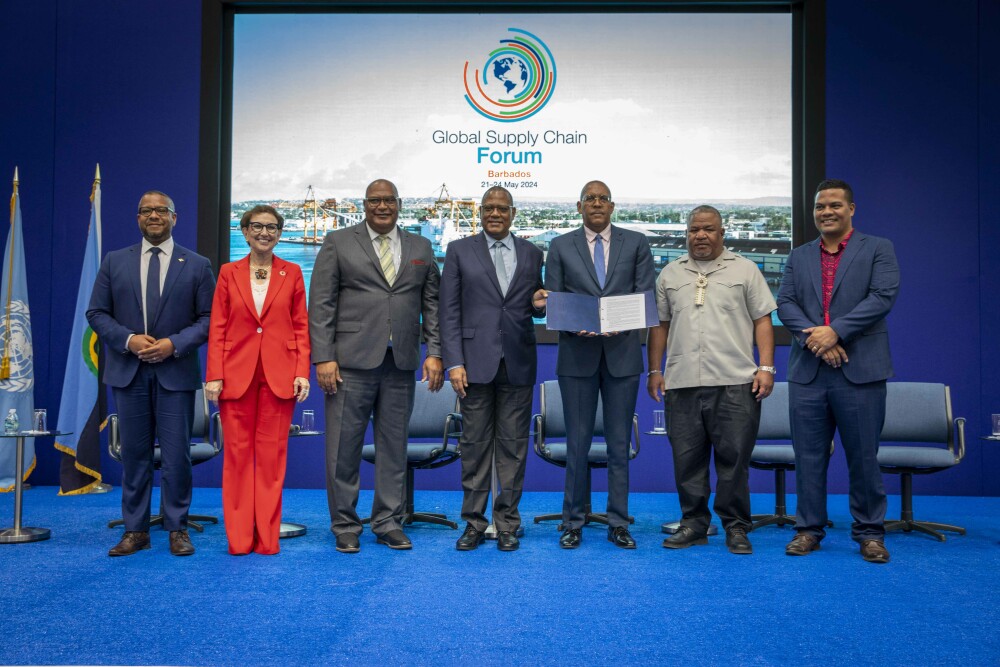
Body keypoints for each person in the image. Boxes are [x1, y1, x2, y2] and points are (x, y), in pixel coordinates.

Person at [309, 179, 443, 553]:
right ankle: (345, 525)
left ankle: (388, 522)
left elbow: (431, 304)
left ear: (399, 204)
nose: (382, 206)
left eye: (388, 200)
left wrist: (435, 351)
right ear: (364, 205)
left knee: (394, 448)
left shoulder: (420, 246)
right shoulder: (338, 242)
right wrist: (324, 356)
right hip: (349, 362)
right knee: (343, 449)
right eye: (374, 201)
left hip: (400, 362)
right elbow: (321, 304)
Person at [777, 179, 900, 564]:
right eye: (820, 206)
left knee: (863, 458)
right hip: (809, 372)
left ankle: (870, 533)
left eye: (834, 205)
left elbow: (882, 297)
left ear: (851, 209)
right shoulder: (799, 255)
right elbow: (786, 303)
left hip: (860, 370)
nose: (826, 212)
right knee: (808, 457)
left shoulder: (877, 248)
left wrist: (836, 331)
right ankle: (808, 530)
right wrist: (818, 339)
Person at [87, 190, 215, 557]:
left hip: (176, 373)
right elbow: (97, 313)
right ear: (138, 218)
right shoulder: (115, 261)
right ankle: (135, 530)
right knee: (135, 456)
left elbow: (209, 318)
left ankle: (177, 528)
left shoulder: (197, 264)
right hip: (129, 373)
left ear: (175, 217)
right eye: (146, 211)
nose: (154, 215)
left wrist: (174, 344)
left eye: (161, 210)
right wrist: (128, 340)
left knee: (177, 457)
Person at [647, 205, 776, 554]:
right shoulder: (670, 273)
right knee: (687, 461)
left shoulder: (745, 270)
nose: (700, 235)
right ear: (686, 233)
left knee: (734, 462)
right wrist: (655, 370)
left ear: (721, 233)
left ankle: (736, 527)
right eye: (694, 230)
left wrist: (766, 367)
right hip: (682, 381)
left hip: (735, 381)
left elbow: (763, 320)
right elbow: (660, 326)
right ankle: (693, 525)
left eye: (708, 229)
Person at [543, 180, 655, 549]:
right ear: (579, 206)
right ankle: (572, 522)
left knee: (619, 444)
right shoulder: (560, 245)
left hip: (622, 356)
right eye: (589, 198)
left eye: (602, 198)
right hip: (577, 355)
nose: (596, 203)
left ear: (612, 206)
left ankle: (618, 522)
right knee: (577, 444)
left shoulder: (636, 243)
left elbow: (644, 295)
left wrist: (623, 322)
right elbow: (555, 299)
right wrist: (573, 323)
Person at [440, 186, 546, 552]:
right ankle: (473, 523)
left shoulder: (532, 253)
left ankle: (508, 525)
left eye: (502, 208)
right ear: (481, 212)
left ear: (513, 213)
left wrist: (539, 305)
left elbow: (533, 305)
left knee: (514, 449)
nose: (495, 214)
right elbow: (448, 311)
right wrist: (454, 362)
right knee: (474, 447)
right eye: (489, 208)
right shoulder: (459, 250)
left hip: (518, 361)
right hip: (473, 363)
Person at [204, 205, 311, 555]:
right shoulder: (228, 272)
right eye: (257, 226)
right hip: (235, 375)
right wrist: (214, 375)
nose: (265, 232)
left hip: (280, 376)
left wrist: (301, 371)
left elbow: (301, 325)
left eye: (272, 227)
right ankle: (238, 539)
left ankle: (267, 539)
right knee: (237, 459)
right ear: (245, 232)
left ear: (279, 234)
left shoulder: (292, 272)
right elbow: (218, 326)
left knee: (271, 460)